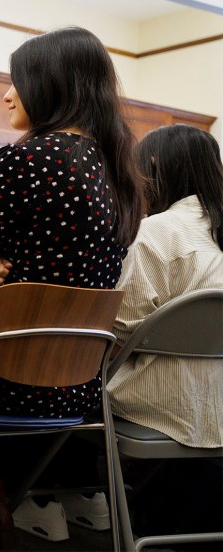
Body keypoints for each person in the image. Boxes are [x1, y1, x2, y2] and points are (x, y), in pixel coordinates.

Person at [0, 26, 143, 547]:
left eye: (16, 82)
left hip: (3, 374)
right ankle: (58, 494)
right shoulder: (118, 174)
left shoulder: (25, 160)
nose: (6, 94)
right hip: (78, 383)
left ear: (51, 85)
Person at [109, 125, 223, 447]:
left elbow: (119, 333)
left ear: (154, 167)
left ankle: (77, 494)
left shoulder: (156, 232)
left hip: (156, 407)